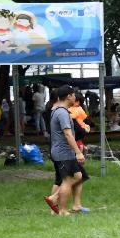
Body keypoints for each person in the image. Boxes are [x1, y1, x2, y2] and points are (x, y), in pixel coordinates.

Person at [45, 85, 88, 216]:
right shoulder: (62, 112)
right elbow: (68, 134)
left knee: (77, 176)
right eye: (74, 94)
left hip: (62, 151)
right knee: (67, 180)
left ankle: (54, 201)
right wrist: (78, 152)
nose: (75, 97)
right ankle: (62, 210)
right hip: (63, 152)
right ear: (69, 96)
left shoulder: (59, 110)